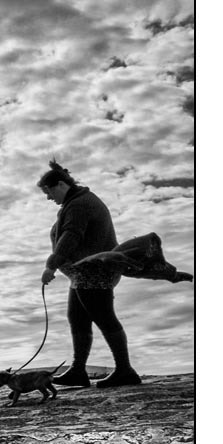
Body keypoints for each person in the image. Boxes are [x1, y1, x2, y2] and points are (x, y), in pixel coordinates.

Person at [38, 159, 137, 388]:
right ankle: (78, 371)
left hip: (96, 273)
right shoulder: (76, 202)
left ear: (61, 185)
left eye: (48, 192)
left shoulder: (80, 204)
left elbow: (71, 236)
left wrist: (51, 266)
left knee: (104, 317)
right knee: (77, 318)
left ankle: (125, 370)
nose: (48, 198)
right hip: (82, 275)